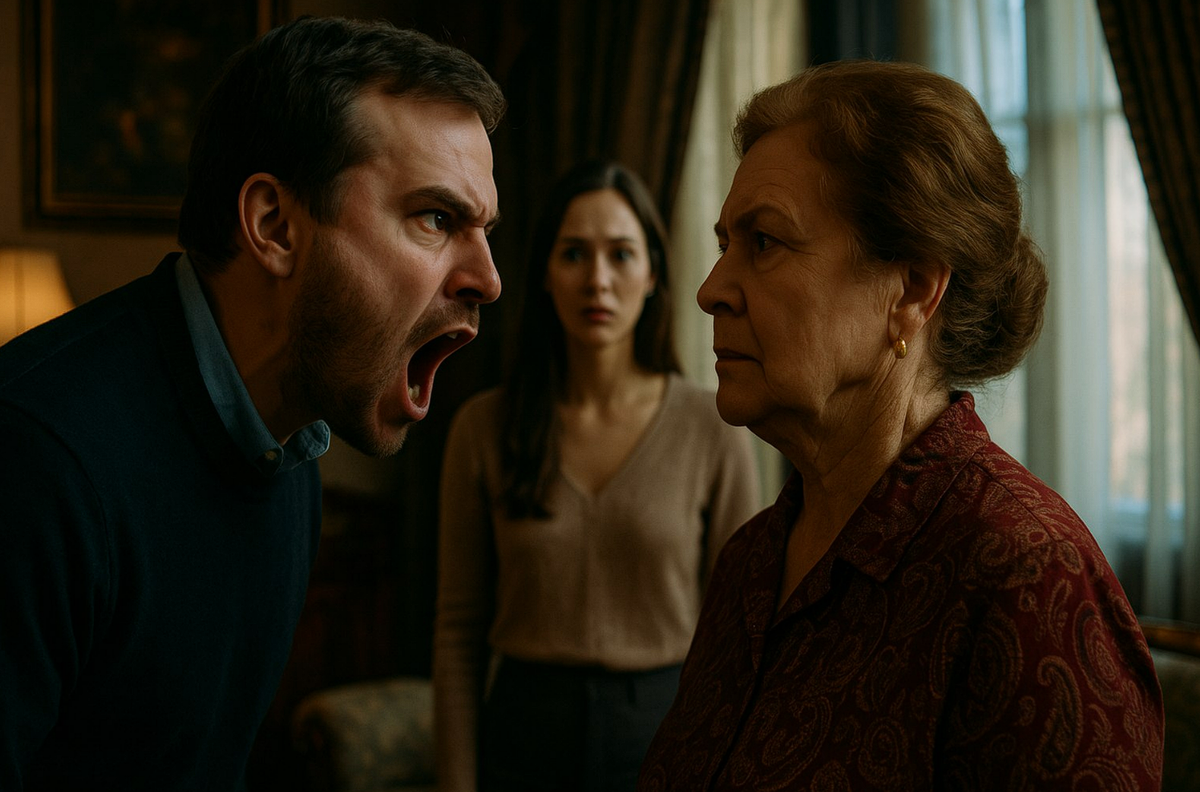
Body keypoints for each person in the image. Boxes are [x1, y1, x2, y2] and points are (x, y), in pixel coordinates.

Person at [0, 16, 504, 792]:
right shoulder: (34, 461)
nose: (489, 279)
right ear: (274, 226)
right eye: (437, 218)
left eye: (486, 230)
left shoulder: (290, 458)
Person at [638, 61, 1164, 791]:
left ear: (912, 289)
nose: (710, 289)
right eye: (725, 243)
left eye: (764, 242)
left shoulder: (1029, 577)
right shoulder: (749, 563)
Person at [434, 160, 762, 792]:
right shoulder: (483, 428)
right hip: (522, 735)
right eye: (574, 254)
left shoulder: (713, 427)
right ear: (544, 274)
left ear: (653, 274)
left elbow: (739, 635)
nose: (598, 281)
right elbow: (456, 632)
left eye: (621, 254)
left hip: (665, 731)